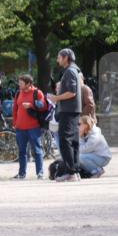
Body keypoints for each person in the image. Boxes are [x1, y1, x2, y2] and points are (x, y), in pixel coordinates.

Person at [47, 48, 83, 182]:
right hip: (73, 110)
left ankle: (70, 172)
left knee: (65, 141)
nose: (57, 60)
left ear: (66, 58)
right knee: (73, 141)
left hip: (68, 110)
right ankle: (75, 171)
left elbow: (72, 92)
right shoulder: (75, 70)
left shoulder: (69, 72)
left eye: (59, 57)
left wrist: (56, 98)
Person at [11, 74, 47, 180]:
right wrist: (15, 123)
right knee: (22, 151)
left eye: (21, 83)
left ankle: (40, 173)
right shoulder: (18, 93)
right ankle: (22, 173)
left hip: (34, 127)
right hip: (20, 128)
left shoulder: (37, 93)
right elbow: (15, 109)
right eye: (19, 82)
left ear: (28, 84)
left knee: (37, 150)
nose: (19, 85)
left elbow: (44, 107)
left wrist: (31, 105)